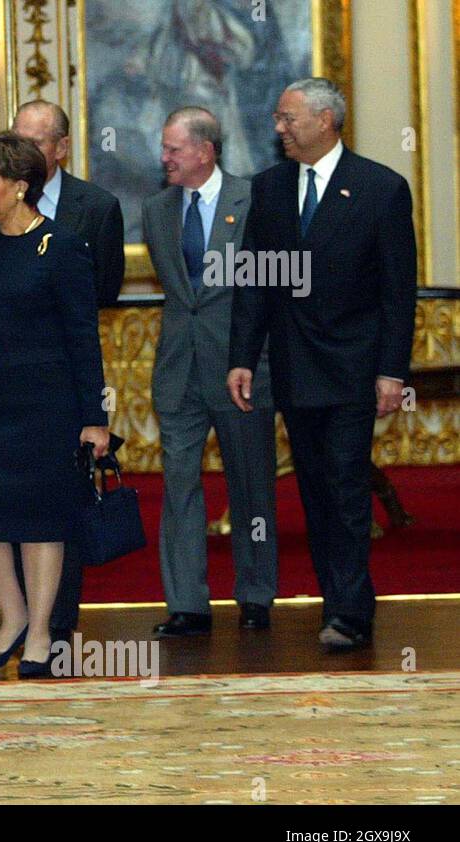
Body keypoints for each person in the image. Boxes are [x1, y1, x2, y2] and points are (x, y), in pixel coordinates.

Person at [0, 100, 123, 656]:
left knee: (41, 520)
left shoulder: (62, 248)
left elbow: (84, 339)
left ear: (19, 186)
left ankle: (39, 632)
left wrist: (94, 420)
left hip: (48, 406)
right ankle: (11, 616)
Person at [228, 78, 417, 651]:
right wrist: (241, 358)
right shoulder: (271, 188)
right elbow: (255, 284)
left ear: (326, 121)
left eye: (288, 118)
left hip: (355, 369)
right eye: (279, 118)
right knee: (314, 489)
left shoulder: (380, 188)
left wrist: (391, 371)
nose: (278, 128)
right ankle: (339, 600)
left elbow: (397, 291)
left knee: (345, 483)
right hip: (293, 366)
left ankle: (351, 611)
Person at [143, 107, 277, 637]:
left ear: (205, 150)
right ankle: (187, 604)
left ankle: (256, 594)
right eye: (165, 148)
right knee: (178, 486)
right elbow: (182, 295)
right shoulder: (156, 209)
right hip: (178, 369)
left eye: (174, 149)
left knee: (251, 485)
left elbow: (265, 288)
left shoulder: (252, 201)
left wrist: (251, 356)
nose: (165, 158)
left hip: (240, 367)